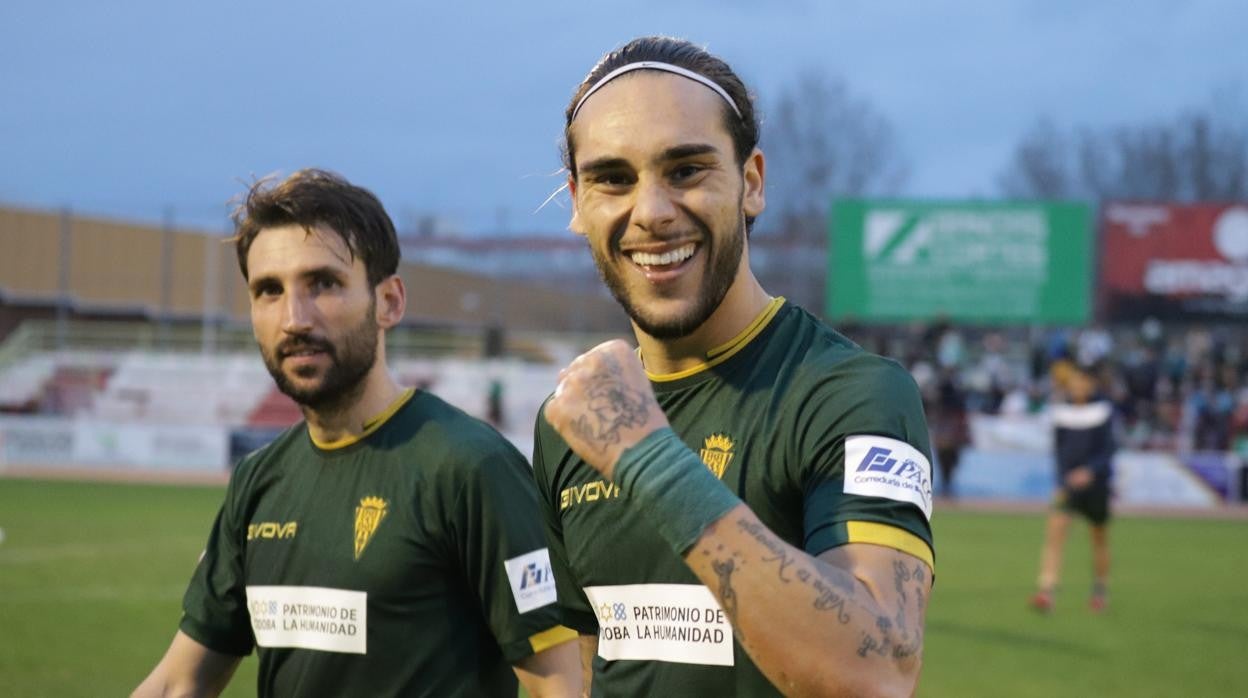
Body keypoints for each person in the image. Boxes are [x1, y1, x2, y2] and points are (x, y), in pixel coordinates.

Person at [533, 37, 934, 696]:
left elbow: (879, 669)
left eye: (686, 170)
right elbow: (581, 669)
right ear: (578, 202)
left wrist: (645, 456)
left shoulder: (851, 394)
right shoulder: (572, 423)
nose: (653, 212)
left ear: (751, 183)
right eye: (613, 178)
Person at [133, 169, 580, 697]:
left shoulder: (469, 467)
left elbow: (565, 687)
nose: (294, 318)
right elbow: (180, 682)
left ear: (389, 301)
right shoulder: (257, 484)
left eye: (323, 283)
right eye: (269, 291)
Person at [1030, 361, 1115, 614]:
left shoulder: (1103, 412)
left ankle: (1099, 590)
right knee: (1055, 535)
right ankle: (1046, 591)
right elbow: (1058, 452)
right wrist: (1062, 479)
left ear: (1090, 384)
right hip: (1067, 485)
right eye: (1073, 382)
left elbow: (1108, 451)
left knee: (1098, 538)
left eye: (1082, 381)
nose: (1077, 386)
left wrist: (1089, 472)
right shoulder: (1061, 413)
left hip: (1096, 486)